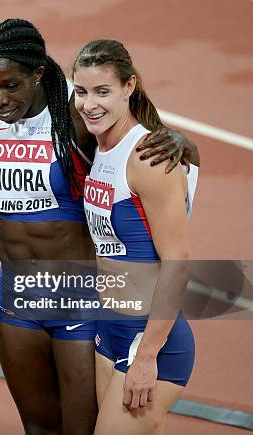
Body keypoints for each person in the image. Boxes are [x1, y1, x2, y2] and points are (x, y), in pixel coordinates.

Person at [0, 19, 199, 435]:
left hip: (90, 303)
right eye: (83, 92)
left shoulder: (84, 126)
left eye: (102, 92)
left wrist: (182, 141)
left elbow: (177, 254)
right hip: (27, 298)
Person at [72, 39, 196, 434]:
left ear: (130, 87)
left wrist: (146, 357)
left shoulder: (148, 158)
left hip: (149, 340)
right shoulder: (101, 146)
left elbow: (177, 262)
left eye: (102, 92)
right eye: (82, 91)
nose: (89, 104)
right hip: (109, 330)